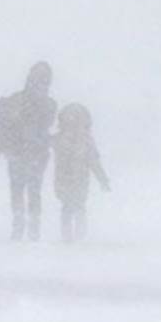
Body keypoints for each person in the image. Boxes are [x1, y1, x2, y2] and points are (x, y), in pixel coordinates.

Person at [0, 61, 58, 242]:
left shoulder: (16, 100)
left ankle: (20, 227)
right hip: (33, 154)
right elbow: (45, 125)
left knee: (19, 190)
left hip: (19, 153)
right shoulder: (49, 104)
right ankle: (32, 229)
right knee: (33, 191)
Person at [52, 103, 110, 243]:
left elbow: (94, 162)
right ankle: (76, 236)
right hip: (75, 179)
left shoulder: (60, 139)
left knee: (70, 207)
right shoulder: (83, 140)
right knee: (76, 207)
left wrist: (103, 180)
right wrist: (103, 180)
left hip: (69, 180)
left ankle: (73, 236)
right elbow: (94, 162)